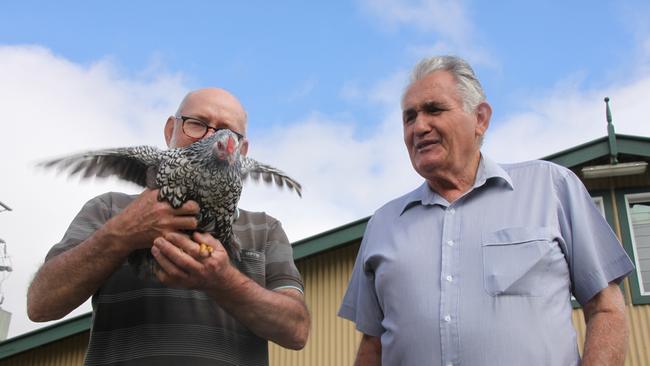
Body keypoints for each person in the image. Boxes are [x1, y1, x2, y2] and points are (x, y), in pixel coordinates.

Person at [338, 56, 634, 366]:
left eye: (434, 110)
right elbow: (373, 345)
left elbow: (605, 307)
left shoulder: (551, 188)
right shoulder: (383, 224)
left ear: (480, 118)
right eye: (409, 117)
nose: (419, 126)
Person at [27, 88, 310, 365]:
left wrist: (224, 279)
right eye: (197, 124)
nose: (212, 138)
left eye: (227, 133)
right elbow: (41, 304)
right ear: (170, 130)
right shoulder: (109, 210)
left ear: (241, 150)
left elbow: (296, 331)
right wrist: (120, 235)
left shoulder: (265, 229)